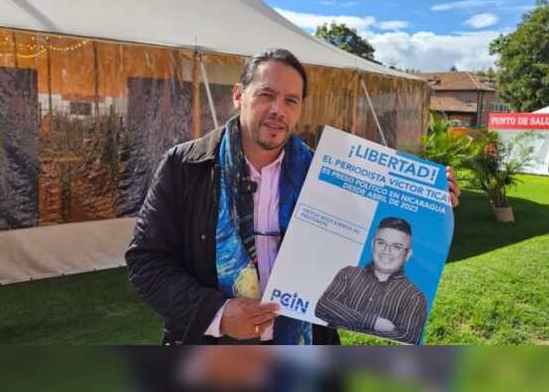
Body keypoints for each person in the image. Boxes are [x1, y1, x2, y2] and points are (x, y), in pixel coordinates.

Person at [125, 48, 461, 345]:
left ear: (300, 108)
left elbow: (378, 220)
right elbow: (147, 261)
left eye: (290, 100)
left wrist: (434, 197)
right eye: (266, 95)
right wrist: (218, 313)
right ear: (239, 96)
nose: (278, 110)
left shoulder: (325, 173)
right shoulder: (186, 166)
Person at [315, 217, 427, 345]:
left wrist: (347, 319)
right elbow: (323, 306)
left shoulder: (415, 297)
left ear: (408, 254)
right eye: (381, 243)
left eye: (396, 247)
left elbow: (408, 337)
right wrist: (374, 322)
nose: (386, 251)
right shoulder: (349, 273)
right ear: (373, 244)